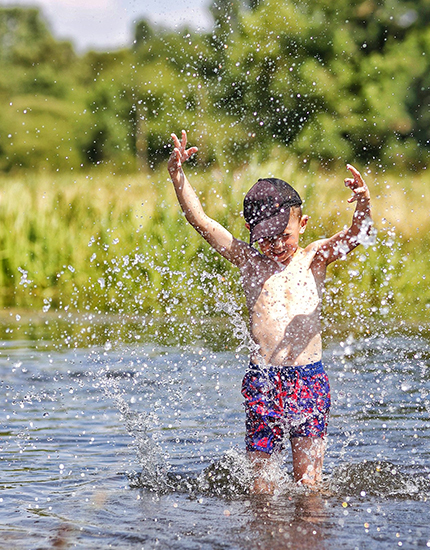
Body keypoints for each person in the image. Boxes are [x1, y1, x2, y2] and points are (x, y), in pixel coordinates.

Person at [167, 130, 372, 493]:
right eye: (266, 237)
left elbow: (357, 235)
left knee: (308, 485)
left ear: (302, 224)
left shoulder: (314, 258)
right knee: (260, 489)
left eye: (285, 235)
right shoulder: (248, 261)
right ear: (250, 231)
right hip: (262, 383)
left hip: (308, 380)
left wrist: (363, 202)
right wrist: (178, 177)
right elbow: (202, 222)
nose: (277, 245)